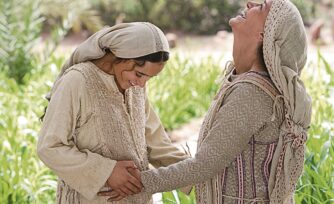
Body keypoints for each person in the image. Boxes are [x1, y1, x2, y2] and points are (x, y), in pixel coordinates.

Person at [105, 0, 312, 203]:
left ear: (265, 34)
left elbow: (204, 165)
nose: (249, 4)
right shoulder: (246, 82)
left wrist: (136, 183)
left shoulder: (252, 93)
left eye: (261, 7)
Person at [37, 22, 190, 204]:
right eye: (139, 74)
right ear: (120, 56)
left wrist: (199, 172)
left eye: (149, 78)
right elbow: (50, 147)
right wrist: (106, 171)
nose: (141, 85)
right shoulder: (76, 81)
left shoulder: (134, 86)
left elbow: (156, 144)